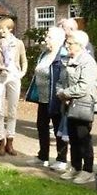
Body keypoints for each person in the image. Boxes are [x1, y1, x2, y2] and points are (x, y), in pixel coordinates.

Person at [56, 30, 97, 185]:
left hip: (83, 105)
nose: (67, 46)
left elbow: (84, 87)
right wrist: (61, 92)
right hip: (68, 105)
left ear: (80, 45)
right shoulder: (66, 60)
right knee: (73, 138)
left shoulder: (88, 62)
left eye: (70, 43)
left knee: (83, 137)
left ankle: (88, 171)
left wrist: (65, 94)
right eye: (67, 43)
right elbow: (60, 81)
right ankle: (75, 167)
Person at [25, 26, 68, 171]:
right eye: (46, 36)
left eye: (49, 37)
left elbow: (65, 78)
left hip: (56, 99)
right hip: (42, 98)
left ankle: (61, 159)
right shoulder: (44, 54)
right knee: (41, 127)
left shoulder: (63, 55)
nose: (46, 39)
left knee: (58, 129)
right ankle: (43, 157)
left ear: (58, 39)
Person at [0, 17, 27, 156]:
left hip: (14, 77)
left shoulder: (18, 43)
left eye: (3, 29)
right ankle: (1, 141)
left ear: (10, 29)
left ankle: (10, 141)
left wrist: (21, 73)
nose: (1, 31)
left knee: (12, 110)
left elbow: (24, 59)